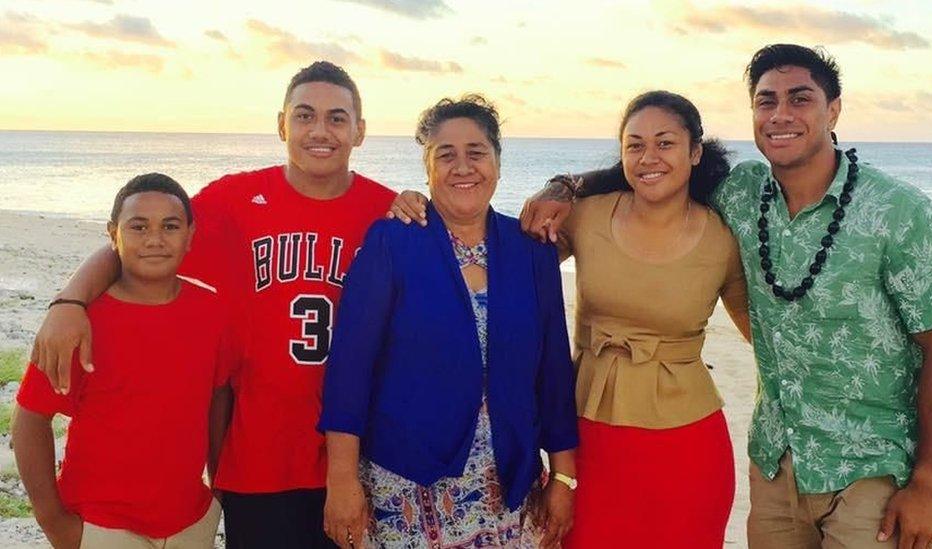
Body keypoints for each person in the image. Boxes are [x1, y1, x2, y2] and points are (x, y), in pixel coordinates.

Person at [519, 44, 932, 548]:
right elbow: (650, 173)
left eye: (800, 99)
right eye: (766, 101)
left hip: (871, 464)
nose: (780, 115)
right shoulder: (741, 196)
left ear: (834, 109)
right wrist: (564, 185)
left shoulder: (901, 212)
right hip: (776, 462)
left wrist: (930, 484)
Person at [29, 61, 396, 548]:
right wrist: (70, 301)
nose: (320, 130)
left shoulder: (388, 211)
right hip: (257, 460)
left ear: (360, 131)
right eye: (305, 115)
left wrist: (537, 200)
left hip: (364, 458)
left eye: (337, 117)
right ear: (282, 124)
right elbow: (145, 238)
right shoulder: (232, 200)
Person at [387, 91, 751, 547]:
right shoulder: (583, 215)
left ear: (695, 152)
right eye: (634, 145)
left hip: (689, 442)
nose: (649, 157)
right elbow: (492, 260)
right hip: (590, 434)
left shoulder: (724, 238)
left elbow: (767, 337)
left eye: (665, 143)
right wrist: (425, 209)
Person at [318, 95, 579, 549]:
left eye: (476, 153)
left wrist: (564, 476)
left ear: (497, 161)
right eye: (446, 155)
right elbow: (349, 371)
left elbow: (554, 374)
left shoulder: (532, 252)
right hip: (404, 489)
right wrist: (341, 481)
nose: (463, 167)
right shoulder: (392, 242)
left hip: (510, 491)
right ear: (428, 167)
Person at [13, 173, 230, 549]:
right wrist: (53, 520)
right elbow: (30, 419)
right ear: (113, 234)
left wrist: (219, 493)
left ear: (191, 235)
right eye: (138, 226)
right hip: (100, 526)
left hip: (191, 520)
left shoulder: (212, 311)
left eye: (171, 226)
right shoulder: (79, 323)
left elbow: (217, 397)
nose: (155, 240)